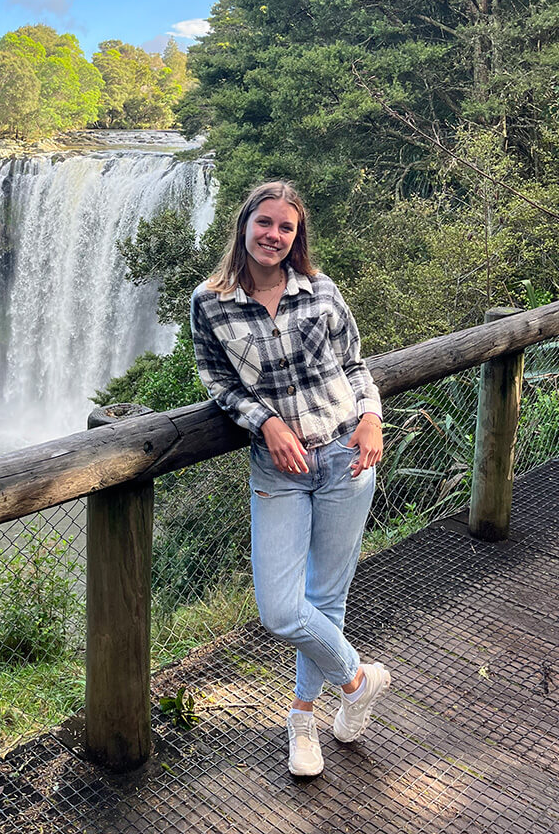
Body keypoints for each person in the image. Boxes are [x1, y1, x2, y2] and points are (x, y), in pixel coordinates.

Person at [189, 180, 390, 778]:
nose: (274, 235)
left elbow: (355, 365)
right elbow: (218, 384)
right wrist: (267, 421)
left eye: (286, 227)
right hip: (277, 467)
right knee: (281, 610)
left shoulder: (321, 291)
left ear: (297, 236)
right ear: (244, 224)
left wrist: (374, 417)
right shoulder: (210, 301)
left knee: (326, 597)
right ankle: (357, 679)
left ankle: (303, 719)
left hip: (344, 455)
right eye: (265, 223)